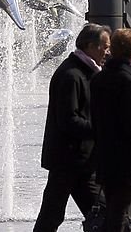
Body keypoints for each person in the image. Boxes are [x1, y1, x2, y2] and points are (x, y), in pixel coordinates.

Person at [34, 23, 110, 232]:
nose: (107, 52)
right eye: (105, 46)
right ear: (90, 46)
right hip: (67, 161)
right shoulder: (71, 75)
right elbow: (68, 120)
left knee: (104, 215)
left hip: (80, 162)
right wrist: (103, 130)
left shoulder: (85, 72)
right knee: (52, 216)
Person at [91, 28, 131, 232]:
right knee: (119, 211)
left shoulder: (99, 78)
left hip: (105, 153)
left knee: (114, 208)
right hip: (125, 158)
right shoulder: (126, 81)